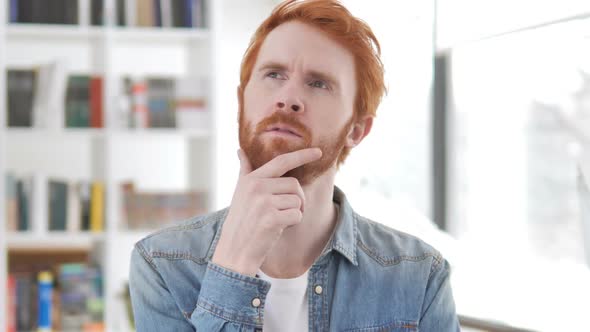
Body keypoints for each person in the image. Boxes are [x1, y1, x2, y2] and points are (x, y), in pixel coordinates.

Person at [129, 0, 459, 331]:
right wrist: (233, 265)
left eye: (318, 83)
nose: (288, 98)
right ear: (242, 102)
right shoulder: (161, 265)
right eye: (274, 74)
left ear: (356, 130)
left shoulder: (420, 277)